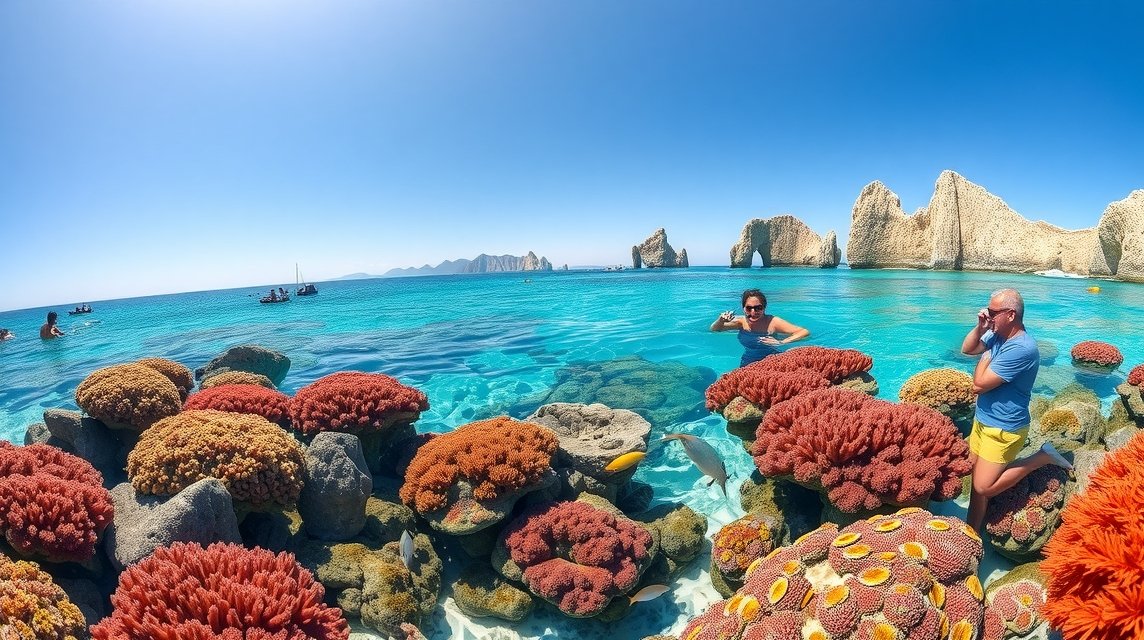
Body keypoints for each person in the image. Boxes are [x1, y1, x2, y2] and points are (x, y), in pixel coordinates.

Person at [960, 288, 1072, 532]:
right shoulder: (998, 334)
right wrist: (981, 328)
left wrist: (987, 353)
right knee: (976, 482)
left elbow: (978, 385)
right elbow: (967, 349)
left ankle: (1041, 457)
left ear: (1010, 315)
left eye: (992, 312)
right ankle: (971, 532)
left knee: (983, 488)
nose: (987, 315)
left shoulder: (1021, 348)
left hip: (1003, 428)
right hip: (983, 421)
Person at [710, 289, 810, 366]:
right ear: (743, 308)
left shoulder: (773, 322)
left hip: (773, 360)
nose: (753, 312)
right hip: (748, 361)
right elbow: (715, 329)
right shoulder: (741, 322)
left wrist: (782, 342)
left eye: (758, 308)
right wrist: (720, 320)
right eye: (749, 308)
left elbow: (803, 331)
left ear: (764, 308)